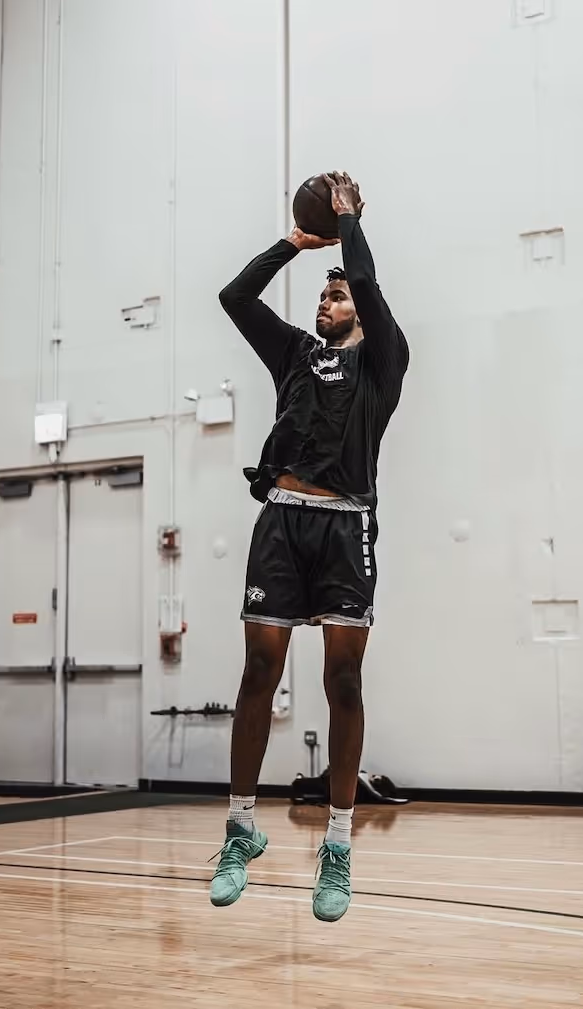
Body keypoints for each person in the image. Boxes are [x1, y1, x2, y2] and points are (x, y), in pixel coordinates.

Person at [210, 172, 408, 922]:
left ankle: (338, 843)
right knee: (260, 666)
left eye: (340, 295)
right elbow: (234, 298)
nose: (329, 301)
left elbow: (365, 276)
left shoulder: (383, 360)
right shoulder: (292, 354)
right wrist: (296, 242)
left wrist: (349, 224)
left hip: (346, 525)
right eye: (323, 296)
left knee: (345, 683)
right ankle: (239, 828)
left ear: (364, 310)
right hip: (283, 522)